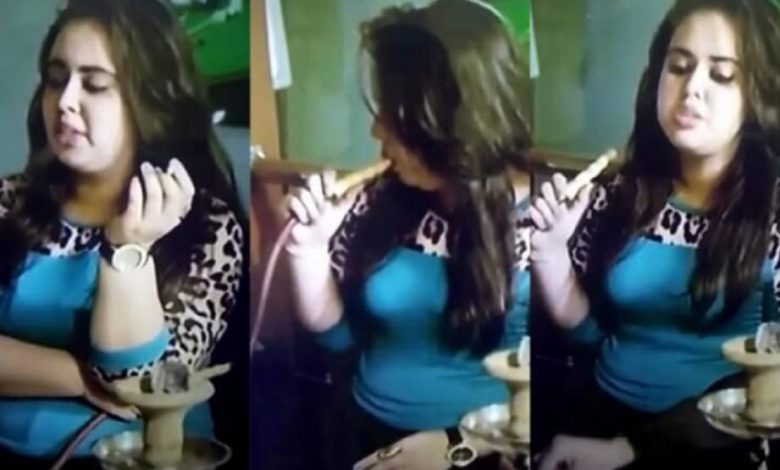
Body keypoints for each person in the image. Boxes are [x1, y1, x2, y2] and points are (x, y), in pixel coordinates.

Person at [530, 0, 780, 468]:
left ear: (758, 94)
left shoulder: (773, 212)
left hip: (714, 441)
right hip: (596, 417)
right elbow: (591, 337)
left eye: (722, 75)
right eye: (678, 66)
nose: (692, 89)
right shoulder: (618, 197)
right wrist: (551, 257)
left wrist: (632, 450)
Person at [284, 0, 532, 468]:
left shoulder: (547, 219)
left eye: (395, 114)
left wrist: (457, 443)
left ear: (454, 119)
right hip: (360, 432)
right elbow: (339, 340)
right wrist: (310, 250)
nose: (376, 129)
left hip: (481, 452)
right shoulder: (382, 200)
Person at [0, 0, 244, 467]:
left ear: (149, 100)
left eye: (95, 85)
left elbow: (140, 386)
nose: (65, 100)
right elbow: (107, 384)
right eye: (56, 79)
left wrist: (127, 251)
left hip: (135, 459)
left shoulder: (205, 226)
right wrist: (77, 376)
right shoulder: (11, 201)